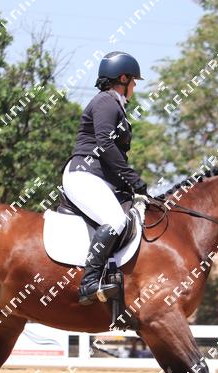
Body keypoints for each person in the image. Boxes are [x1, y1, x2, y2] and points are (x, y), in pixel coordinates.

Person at [60, 51, 150, 305]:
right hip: (84, 175)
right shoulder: (106, 102)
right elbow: (105, 145)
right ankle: (89, 282)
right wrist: (132, 179)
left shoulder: (115, 104)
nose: (134, 87)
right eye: (133, 81)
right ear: (123, 78)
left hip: (99, 178)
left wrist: (128, 186)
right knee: (116, 220)